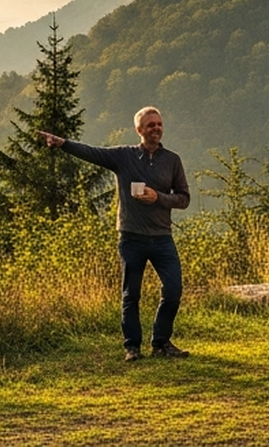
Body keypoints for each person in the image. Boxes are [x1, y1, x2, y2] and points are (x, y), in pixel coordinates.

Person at [37, 107, 191, 362]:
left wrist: (158, 197)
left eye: (159, 124)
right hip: (131, 236)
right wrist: (63, 143)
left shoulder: (172, 160)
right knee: (131, 294)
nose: (156, 128)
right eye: (150, 125)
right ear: (139, 130)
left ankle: (161, 343)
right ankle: (132, 347)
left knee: (173, 290)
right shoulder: (123, 156)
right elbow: (92, 152)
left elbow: (184, 199)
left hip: (162, 237)